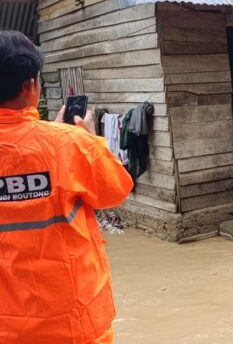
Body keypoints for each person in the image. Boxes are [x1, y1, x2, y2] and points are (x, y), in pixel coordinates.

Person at [0, 30, 133, 343]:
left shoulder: (62, 144)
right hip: (73, 322)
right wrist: (87, 139)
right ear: (31, 86)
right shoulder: (69, 144)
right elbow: (115, 191)